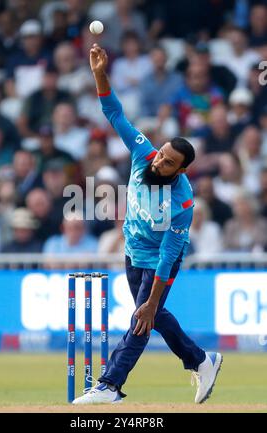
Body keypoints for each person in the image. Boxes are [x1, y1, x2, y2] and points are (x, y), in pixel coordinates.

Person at [72, 44, 223, 405]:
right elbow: (114, 112)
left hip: (160, 262)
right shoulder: (144, 152)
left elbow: (170, 255)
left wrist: (152, 300)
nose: (159, 163)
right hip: (133, 251)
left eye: (169, 163)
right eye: (162, 155)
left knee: (142, 318)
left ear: (182, 170)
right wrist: (99, 74)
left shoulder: (182, 202)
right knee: (151, 315)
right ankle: (202, 361)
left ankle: (110, 385)